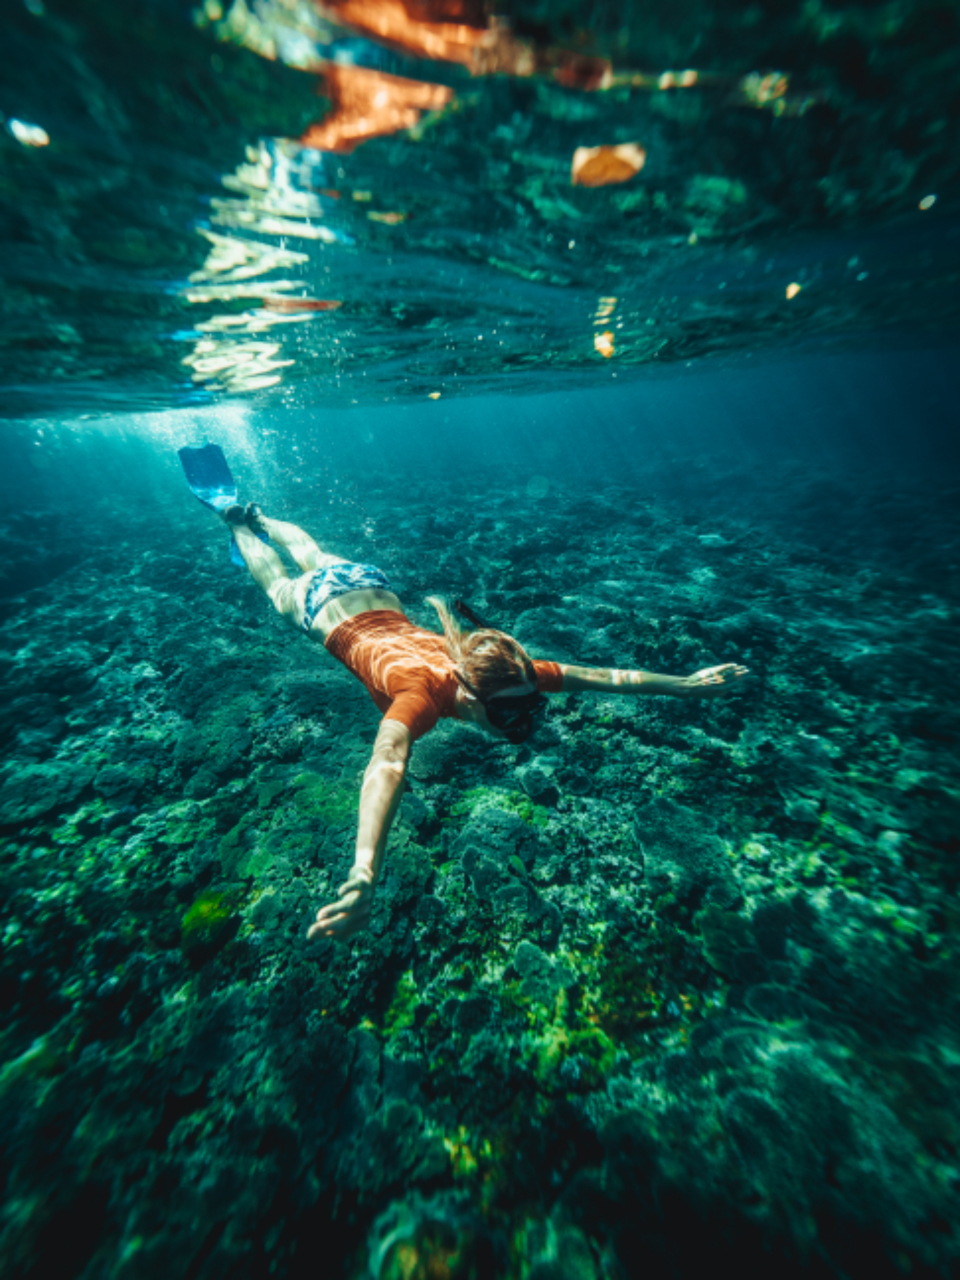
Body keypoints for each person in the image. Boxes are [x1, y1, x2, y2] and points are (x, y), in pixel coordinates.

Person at [221, 503, 748, 942]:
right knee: (280, 584)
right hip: (331, 607)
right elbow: (387, 762)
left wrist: (685, 683)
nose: (522, 719)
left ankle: (258, 519)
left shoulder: (509, 677)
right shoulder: (421, 693)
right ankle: (243, 524)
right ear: (470, 696)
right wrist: (365, 868)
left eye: (530, 706)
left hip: (367, 590)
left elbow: (602, 676)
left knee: (313, 557)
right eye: (510, 713)